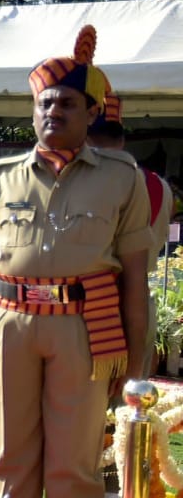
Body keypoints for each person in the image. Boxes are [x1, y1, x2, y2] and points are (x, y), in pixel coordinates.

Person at [0, 25, 151, 498]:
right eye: (45, 103)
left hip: (83, 325)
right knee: (12, 446)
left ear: (92, 112)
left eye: (67, 103)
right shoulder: (0, 176)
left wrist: (139, 368)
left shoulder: (122, 179)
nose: (53, 112)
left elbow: (135, 278)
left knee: (72, 452)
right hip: (10, 321)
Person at [87, 91, 172, 378]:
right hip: (140, 300)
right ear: (122, 137)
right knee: (131, 400)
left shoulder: (82, 181)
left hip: (91, 304)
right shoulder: (160, 185)